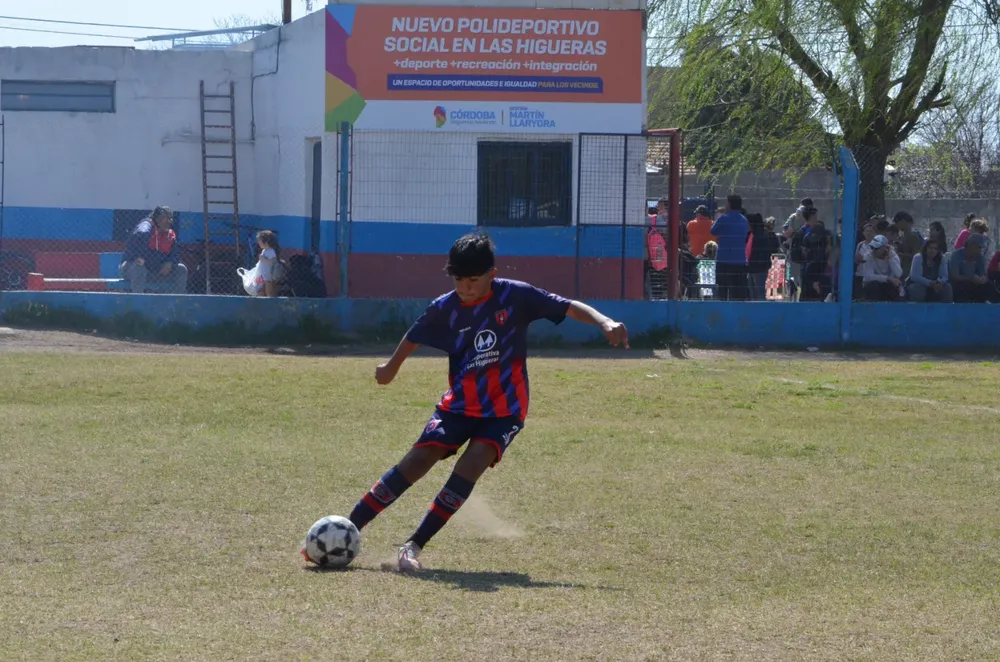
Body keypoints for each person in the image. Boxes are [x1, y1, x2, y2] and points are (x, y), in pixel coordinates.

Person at [342, 233, 629, 572]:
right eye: (458, 280)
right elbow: (414, 335)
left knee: (473, 462)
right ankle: (347, 528)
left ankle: (413, 545)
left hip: (505, 410)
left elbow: (567, 306)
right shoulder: (445, 307)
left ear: (492, 274)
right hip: (459, 405)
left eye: (473, 280)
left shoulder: (516, 296)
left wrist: (604, 321)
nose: (465, 287)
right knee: (418, 459)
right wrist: (391, 366)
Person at [119, 205, 188, 294]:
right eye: (164, 218)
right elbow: (140, 233)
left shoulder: (170, 235)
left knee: (181, 269)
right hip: (130, 267)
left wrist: (170, 262)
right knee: (139, 268)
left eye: (170, 219)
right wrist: (140, 255)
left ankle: (176, 300)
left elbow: (175, 253)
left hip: (155, 270)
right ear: (156, 219)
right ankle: (138, 300)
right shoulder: (146, 226)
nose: (168, 222)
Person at [709, 194, 749, 300]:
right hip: (740, 261)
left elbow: (713, 231)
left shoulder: (724, 218)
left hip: (724, 259)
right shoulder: (744, 220)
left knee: (722, 291)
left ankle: (723, 309)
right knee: (738, 293)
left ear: (729, 204)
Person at [949, 232, 992, 302]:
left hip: (975, 284)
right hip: (959, 284)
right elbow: (954, 276)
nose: (980, 250)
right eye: (979, 247)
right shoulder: (956, 255)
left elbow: (982, 274)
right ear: (971, 245)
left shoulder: (980, 257)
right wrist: (970, 278)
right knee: (960, 287)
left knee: (988, 286)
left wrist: (983, 280)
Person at [861, 234, 903, 301]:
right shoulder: (868, 256)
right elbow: (868, 276)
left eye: (876, 248)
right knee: (872, 286)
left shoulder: (893, 256)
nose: (873, 250)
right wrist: (888, 278)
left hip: (889, 286)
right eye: (872, 247)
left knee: (897, 286)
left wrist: (890, 258)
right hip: (875, 285)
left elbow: (898, 274)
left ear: (884, 248)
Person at [255, 230, 284, 298]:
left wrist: (263, 259)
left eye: (260, 241)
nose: (258, 243)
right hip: (262, 276)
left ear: (266, 242)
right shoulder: (264, 250)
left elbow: (273, 261)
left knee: (270, 293)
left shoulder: (271, 251)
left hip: (268, 277)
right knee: (260, 291)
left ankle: (272, 304)